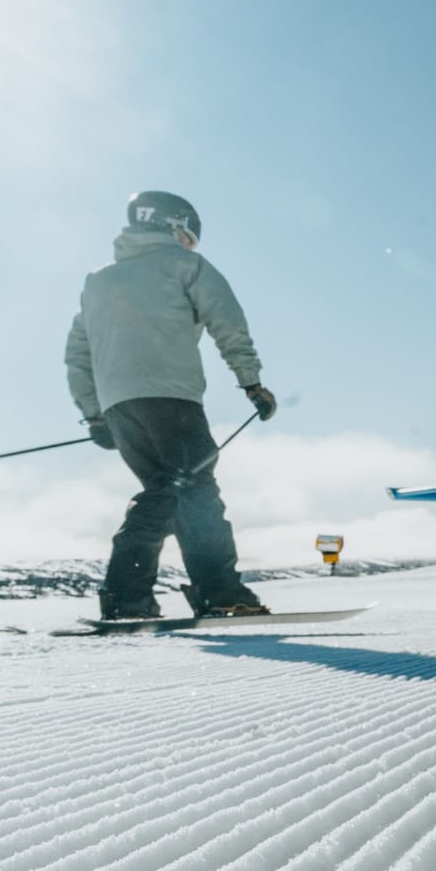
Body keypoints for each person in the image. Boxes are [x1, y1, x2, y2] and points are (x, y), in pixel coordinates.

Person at [65, 191, 277, 620]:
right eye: (190, 235)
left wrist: (94, 414)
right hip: (171, 397)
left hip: (120, 408)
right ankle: (219, 594)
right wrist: (251, 382)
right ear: (173, 225)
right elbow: (227, 321)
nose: (191, 245)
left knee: (164, 492)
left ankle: (128, 597)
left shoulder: (98, 281)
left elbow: (78, 352)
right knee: (196, 493)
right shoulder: (185, 266)